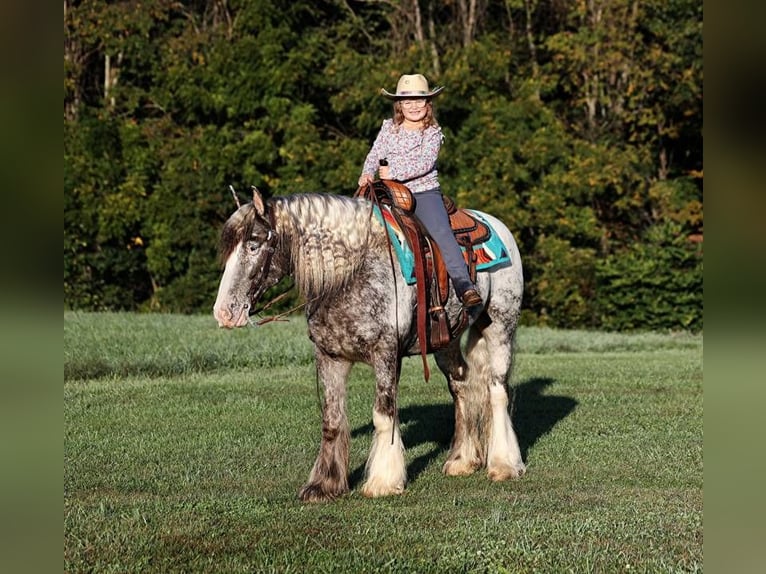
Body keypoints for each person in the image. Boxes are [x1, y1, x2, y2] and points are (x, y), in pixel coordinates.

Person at [358, 73, 482, 308]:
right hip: (387, 190)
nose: (413, 106)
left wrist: (394, 171)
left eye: (419, 100)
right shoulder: (389, 128)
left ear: (428, 104)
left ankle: (464, 285)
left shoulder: (432, 133)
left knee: (442, 233)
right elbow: (375, 154)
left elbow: (425, 163)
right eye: (407, 101)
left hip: (422, 193)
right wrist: (367, 172)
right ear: (399, 105)